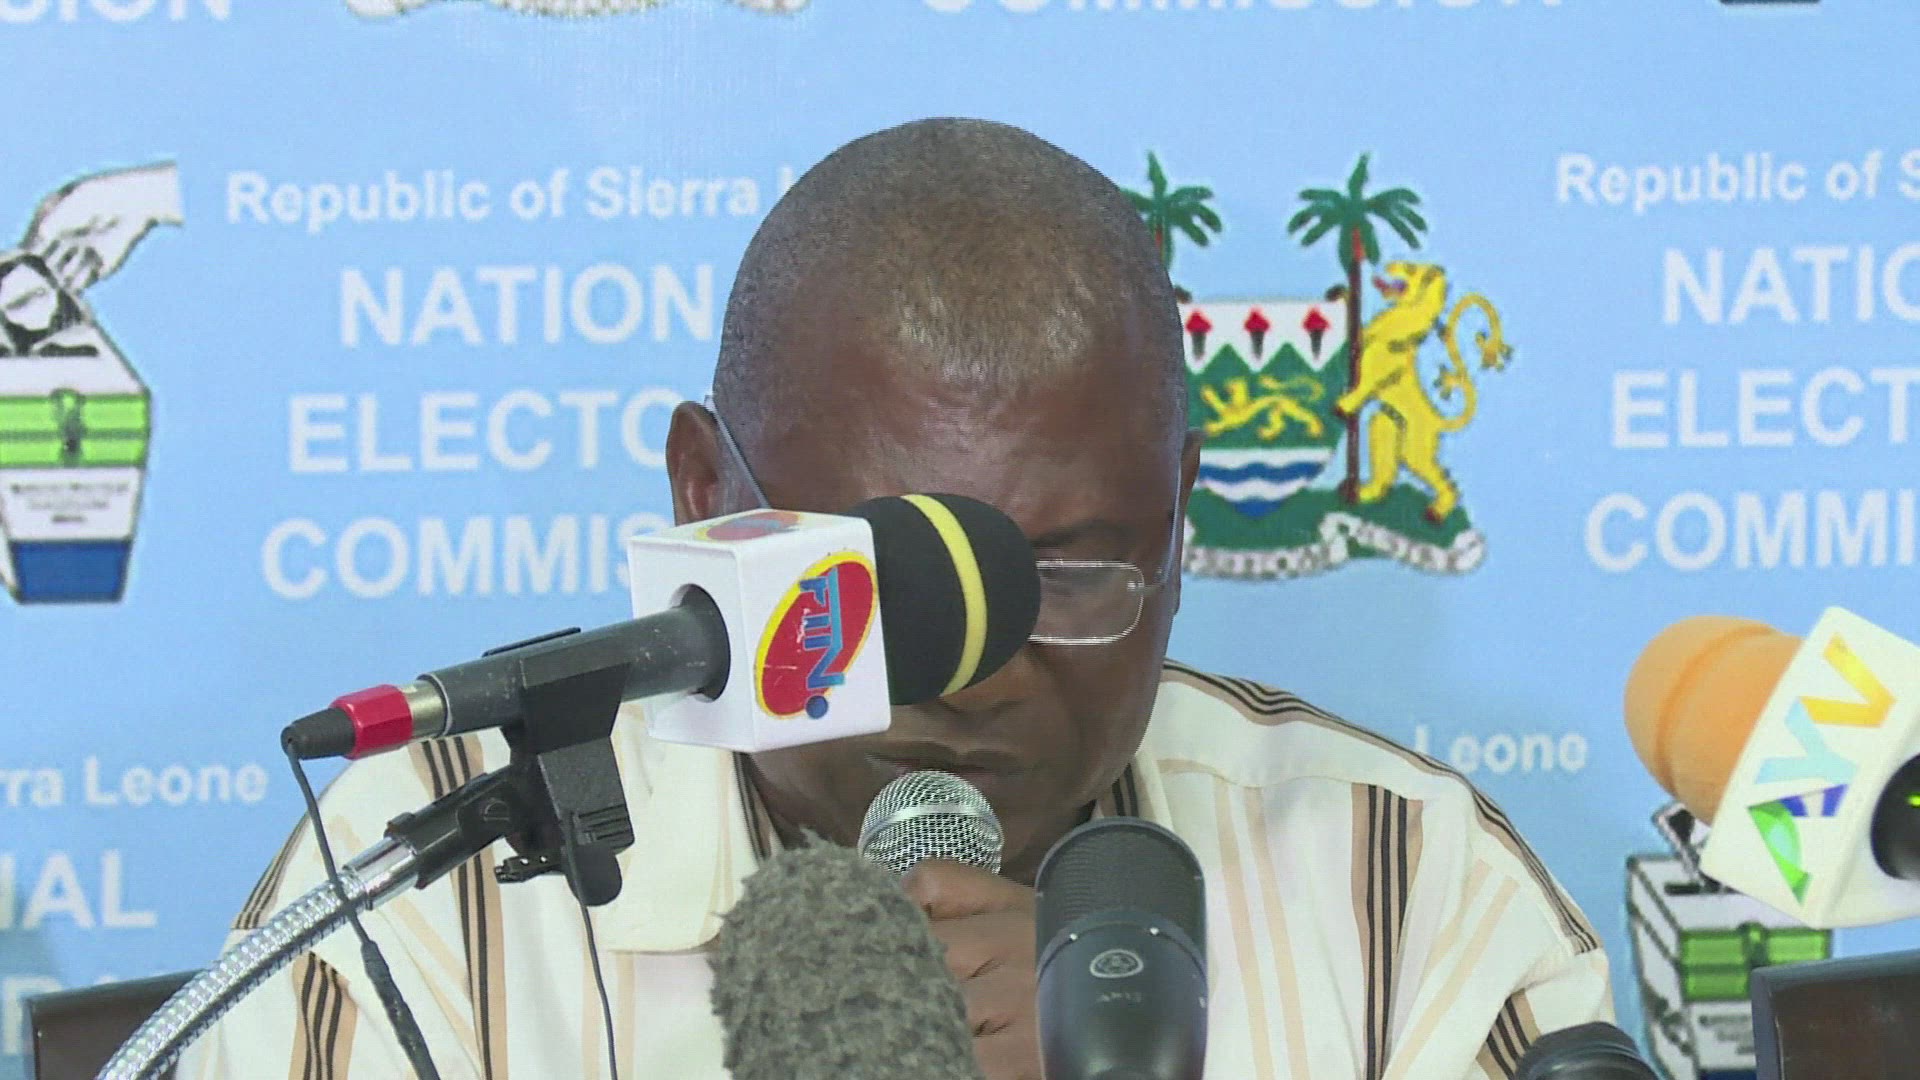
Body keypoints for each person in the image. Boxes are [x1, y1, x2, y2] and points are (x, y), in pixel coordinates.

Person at [176, 118, 1611, 1080]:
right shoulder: (432, 888)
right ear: (706, 497)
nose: (971, 677)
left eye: (1066, 576)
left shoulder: (1402, 882)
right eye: (889, 580)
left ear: (1179, 522)